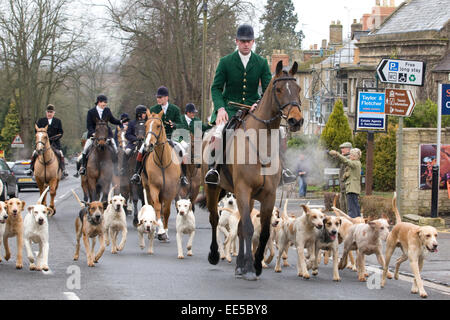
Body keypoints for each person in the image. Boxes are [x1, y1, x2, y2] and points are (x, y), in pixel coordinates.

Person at [204, 24, 296, 185]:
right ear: (237, 42)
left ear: (253, 42)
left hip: (255, 109)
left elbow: (270, 89)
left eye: (249, 41)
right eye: (242, 41)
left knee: (279, 131)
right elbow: (216, 88)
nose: (246, 44)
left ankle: (283, 169)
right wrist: (220, 108)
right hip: (230, 109)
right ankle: (214, 169)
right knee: (220, 131)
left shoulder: (260, 62)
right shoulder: (225, 62)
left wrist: (259, 103)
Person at [130, 88, 189, 186]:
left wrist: (174, 125)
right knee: (141, 149)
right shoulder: (153, 109)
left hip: (172, 135)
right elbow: (149, 123)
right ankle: (137, 174)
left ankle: (183, 176)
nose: (158, 99)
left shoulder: (175, 109)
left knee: (182, 150)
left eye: (160, 97)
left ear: (166, 98)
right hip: (155, 137)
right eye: (157, 97)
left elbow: (181, 125)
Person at [78, 95, 128, 176]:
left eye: (106, 103)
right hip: (94, 134)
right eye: (104, 103)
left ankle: (115, 169)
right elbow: (89, 125)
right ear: (99, 102)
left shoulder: (107, 110)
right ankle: (83, 167)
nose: (105, 104)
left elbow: (112, 120)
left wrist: (121, 122)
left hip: (106, 134)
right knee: (85, 149)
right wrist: (93, 133)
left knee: (115, 148)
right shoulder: (91, 112)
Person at [30, 104, 68, 177]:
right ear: (46, 112)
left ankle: (63, 169)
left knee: (60, 153)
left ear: (54, 113)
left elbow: (61, 132)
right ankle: (31, 169)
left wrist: (54, 138)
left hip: (54, 143)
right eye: (48, 112)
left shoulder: (58, 121)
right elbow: (37, 131)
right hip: (42, 143)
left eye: (51, 112)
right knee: (34, 153)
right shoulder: (41, 121)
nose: (49, 114)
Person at [329, 147, 362, 218]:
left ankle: (352, 220)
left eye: (351, 155)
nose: (350, 156)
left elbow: (346, 161)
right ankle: (358, 219)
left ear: (355, 156)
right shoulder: (356, 163)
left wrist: (337, 154)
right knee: (355, 206)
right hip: (353, 188)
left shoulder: (356, 163)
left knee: (351, 207)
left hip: (352, 188)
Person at [338, 142, 352, 213]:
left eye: (343, 148)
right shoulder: (344, 157)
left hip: (347, 184)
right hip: (343, 184)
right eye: (341, 148)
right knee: (342, 203)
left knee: (347, 205)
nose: (342, 150)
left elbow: (344, 159)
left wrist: (337, 155)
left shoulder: (350, 157)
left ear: (349, 149)